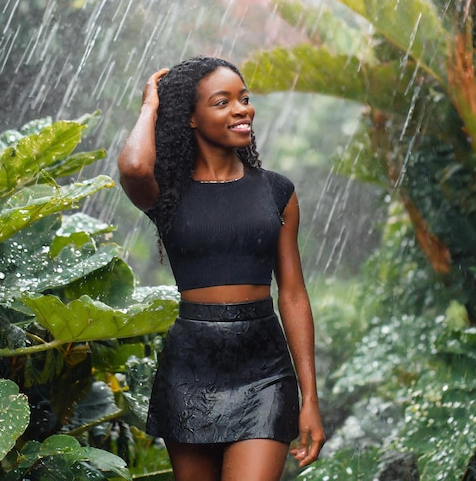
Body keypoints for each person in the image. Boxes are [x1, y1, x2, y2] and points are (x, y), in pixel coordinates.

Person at [117, 56, 325, 481]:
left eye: (244, 99)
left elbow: (293, 294)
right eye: (223, 101)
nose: (242, 109)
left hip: (264, 368)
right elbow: (135, 166)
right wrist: (150, 107)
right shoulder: (166, 194)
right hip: (191, 365)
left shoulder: (276, 191)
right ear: (191, 118)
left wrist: (310, 398)